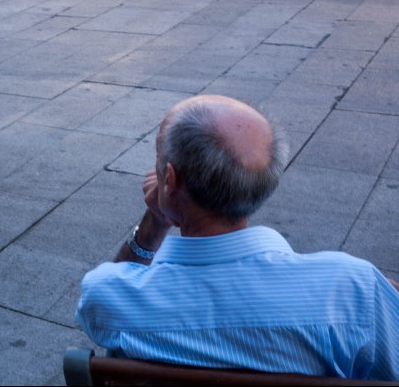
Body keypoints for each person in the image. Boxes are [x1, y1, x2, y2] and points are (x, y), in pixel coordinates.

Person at [75, 94, 399, 380]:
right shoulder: (354, 290)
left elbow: (104, 302)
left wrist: (156, 222)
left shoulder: (108, 295)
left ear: (168, 180)